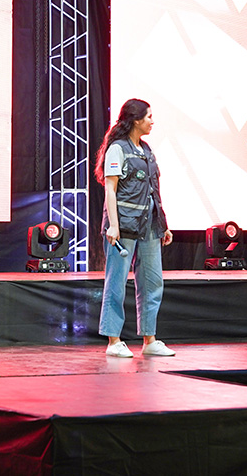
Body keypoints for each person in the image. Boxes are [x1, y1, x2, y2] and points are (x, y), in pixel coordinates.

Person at [95, 98, 175, 358]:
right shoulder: (117, 148)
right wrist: (113, 225)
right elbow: (110, 189)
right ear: (136, 120)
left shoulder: (147, 150)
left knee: (152, 281)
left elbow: (153, 191)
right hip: (124, 225)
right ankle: (113, 341)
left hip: (149, 225)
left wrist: (163, 225)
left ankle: (150, 340)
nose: (152, 121)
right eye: (149, 116)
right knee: (116, 282)